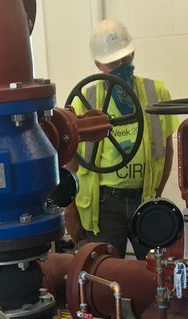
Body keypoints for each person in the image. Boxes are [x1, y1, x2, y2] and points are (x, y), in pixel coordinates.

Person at [64, 19, 178, 258]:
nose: (121, 66)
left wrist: (156, 194)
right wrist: (70, 213)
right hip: (104, 208)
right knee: (101, 277)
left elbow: (166, 151)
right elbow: (71, 164)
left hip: (144, 200)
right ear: (98, 64)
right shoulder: (85, 101)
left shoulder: (155, 92)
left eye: (126, 59)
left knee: (154, 274)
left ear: (133, 53)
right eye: (113, 62)